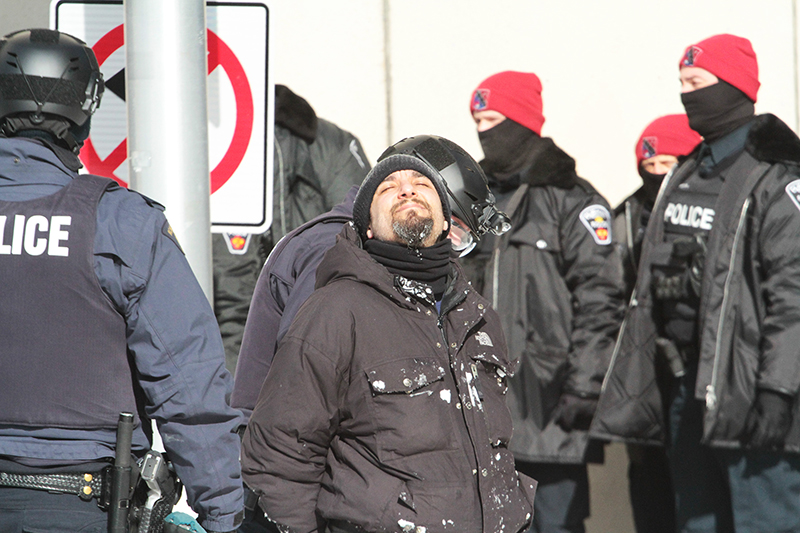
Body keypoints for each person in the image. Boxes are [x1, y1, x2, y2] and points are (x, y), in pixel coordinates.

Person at [0, 29, 243, 532]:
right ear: (85, 111)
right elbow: (187, 383)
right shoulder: (118, 221)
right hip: (81, 506)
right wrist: (223, 514)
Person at [240, 135, 537, 533]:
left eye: (424, 185)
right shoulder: (336, 282)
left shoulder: (472, 313)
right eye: (389, 187)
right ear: (367, 225)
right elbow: (290, 439)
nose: (407, 189)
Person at [591, 34, 800, 533]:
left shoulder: (777, 176)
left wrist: (778, 389)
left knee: (763, 522)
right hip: (686, 386)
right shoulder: (686, 172)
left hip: (751, 391)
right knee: (696, 522)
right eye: (682, 83)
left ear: (733, 86)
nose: (687, 95)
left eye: (697, 83)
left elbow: (792, 294)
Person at [465, 70, 624, 533]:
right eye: (477, 120)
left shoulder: (572, 200)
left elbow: (603, 300)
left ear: (522, 120)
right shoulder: (471, 199)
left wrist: (584, 387)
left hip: (553, 405)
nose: (484, 131)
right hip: (483, 410)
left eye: (493, 118)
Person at [212, 84, 370, 372]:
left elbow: (361, 252)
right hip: (234, 356)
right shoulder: (200, 145)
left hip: (327, 352)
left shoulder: (330, 145)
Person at [615, 114, 701, 533]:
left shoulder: (706, 212)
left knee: (696, 482)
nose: (657, 176)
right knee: (647, 481)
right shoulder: (624, 217)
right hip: (640, 371)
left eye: (668, 164)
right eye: (649, 167)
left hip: (694, 366)